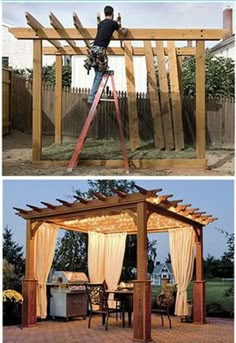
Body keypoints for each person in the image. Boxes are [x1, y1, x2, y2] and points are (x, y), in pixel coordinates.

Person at [84, 5, 128, 106]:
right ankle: (91, 99)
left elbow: (106, 29)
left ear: (105, 14)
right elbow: (122, 32)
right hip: (100, 51)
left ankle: (93, 97)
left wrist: (117, 22)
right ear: (112, 14)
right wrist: (123, 27)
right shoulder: (113, 23)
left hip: (93, 51)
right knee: (99, 75)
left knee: (97, 75)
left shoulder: (101, 23)